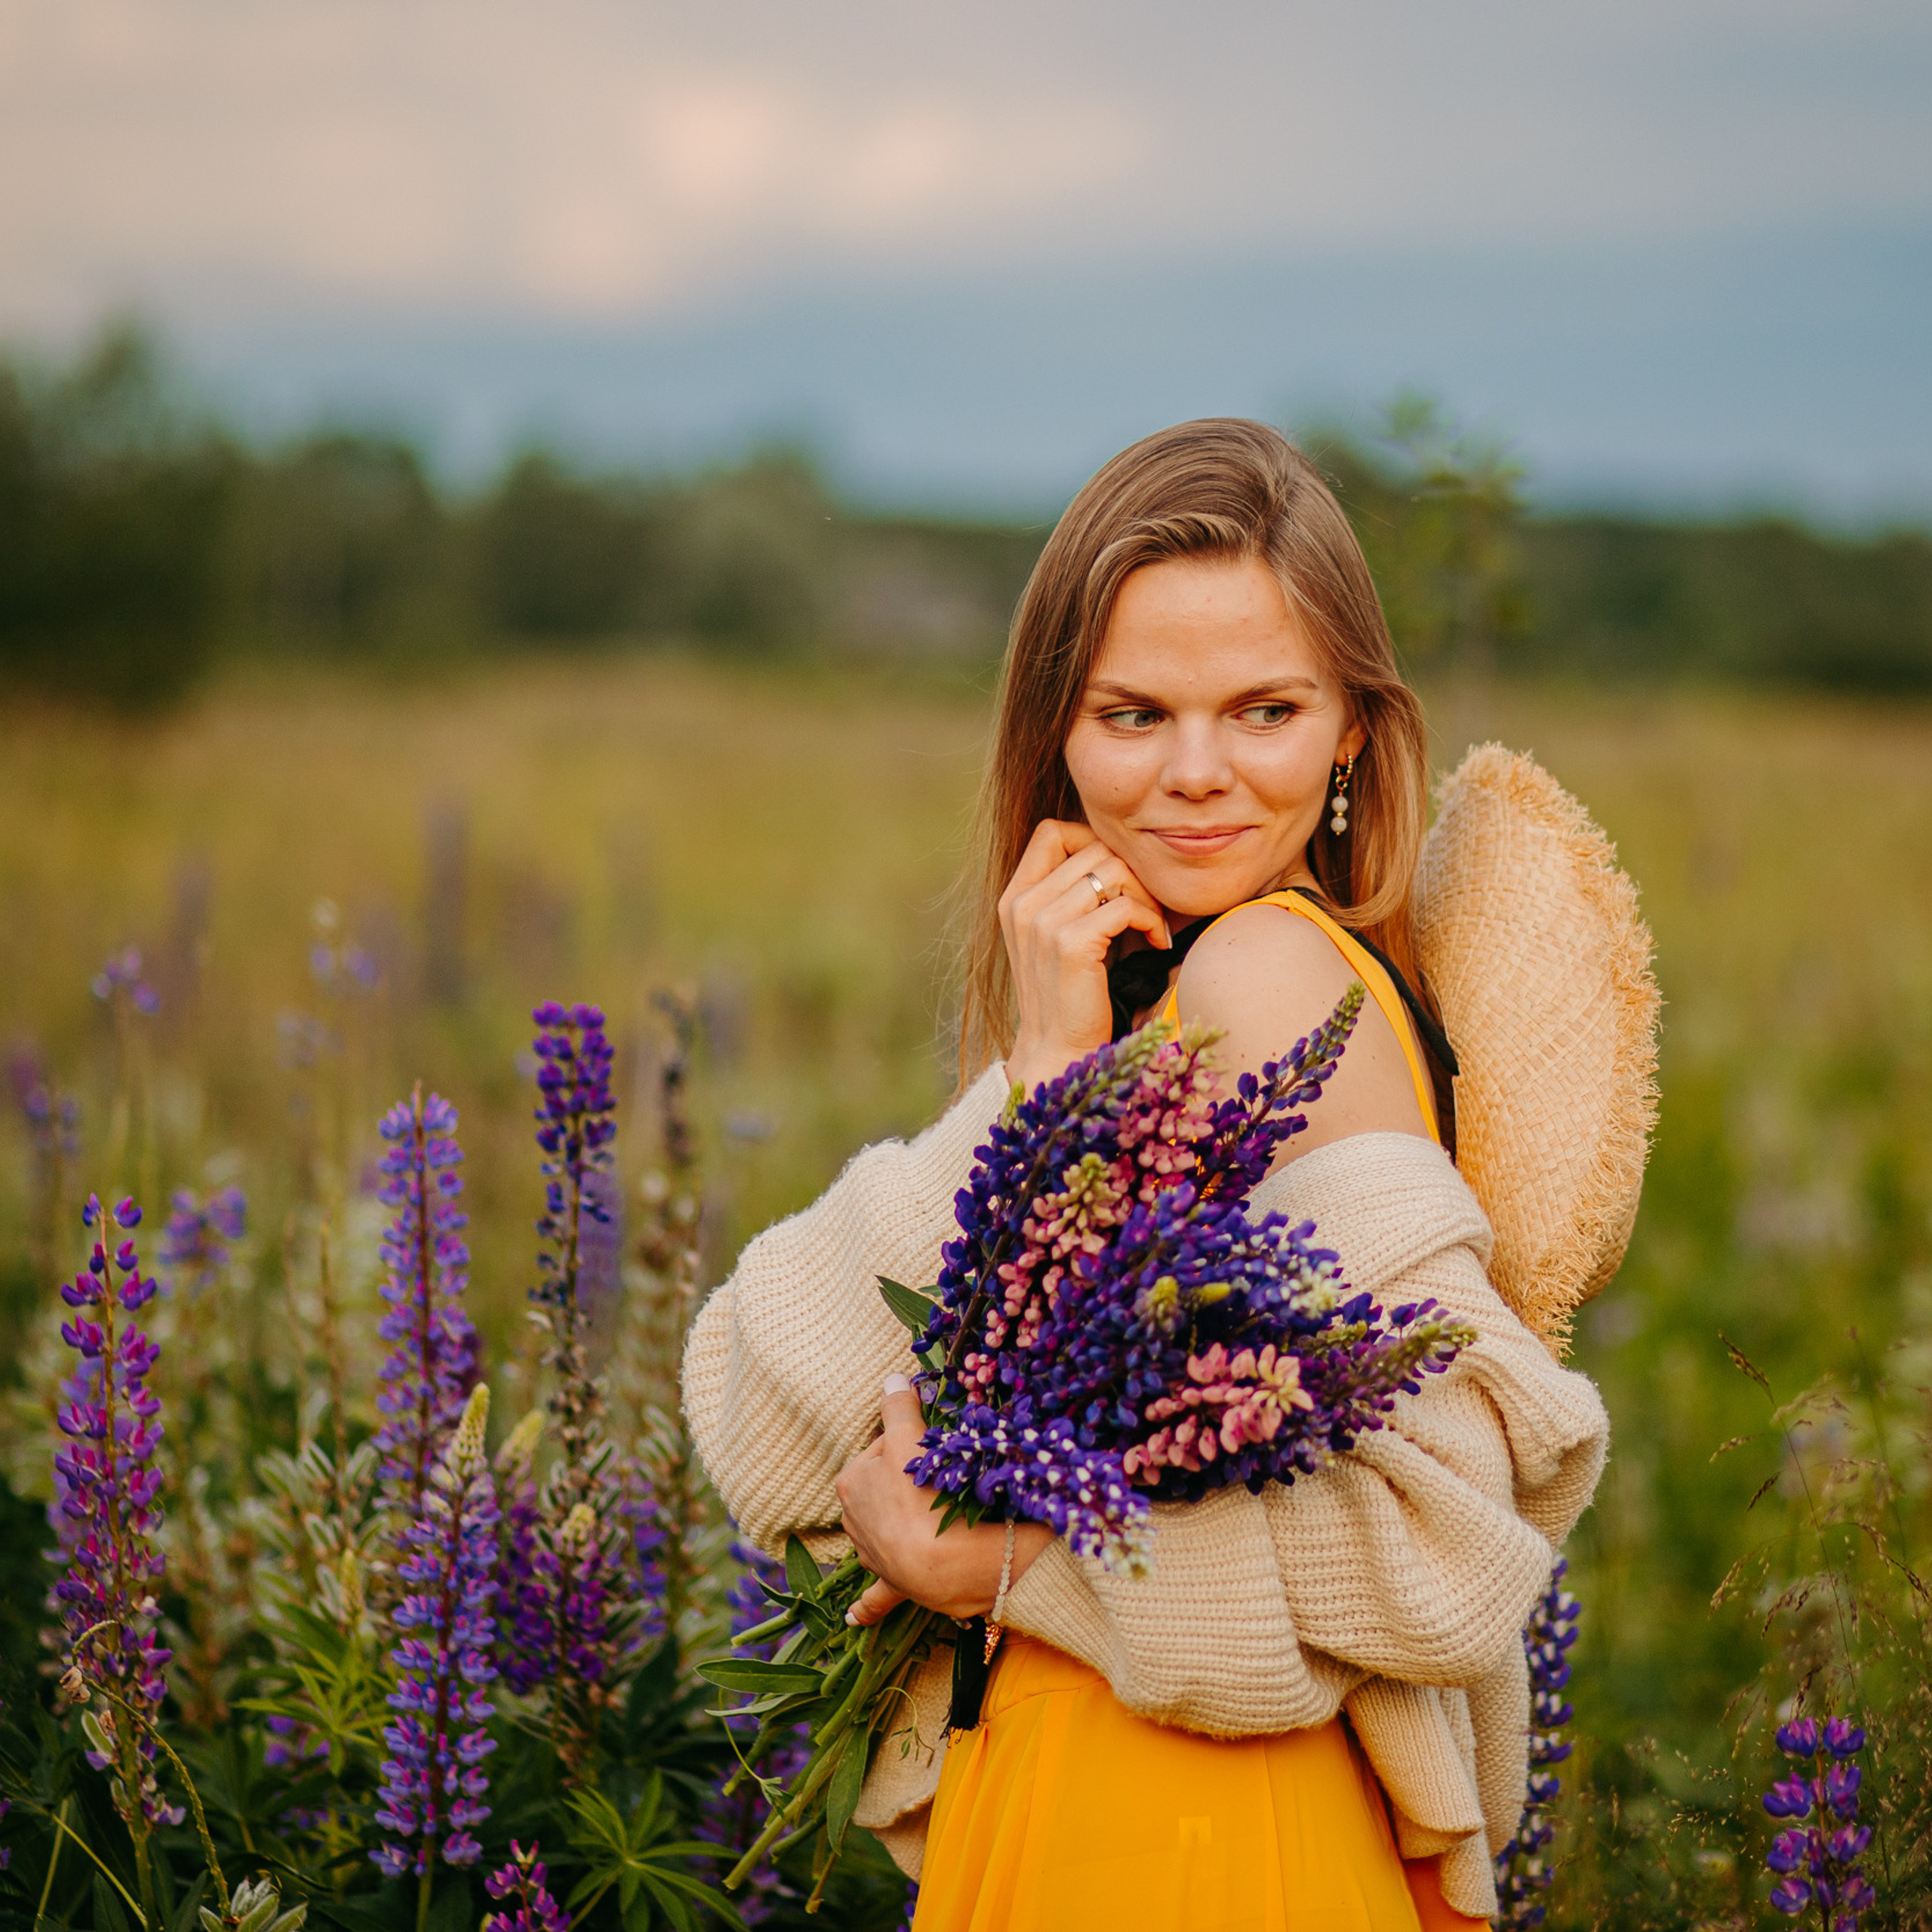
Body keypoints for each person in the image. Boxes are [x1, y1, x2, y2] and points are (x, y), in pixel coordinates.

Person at [683, 419, 1610, 1930]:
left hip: (1204, 1832)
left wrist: (1006, 1568)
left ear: (1351, 731)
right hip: (1097, 1803)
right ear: (1054, 730)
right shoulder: (1130, 1008)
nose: (1194, 775)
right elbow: (761, 1416)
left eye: (1263, 710)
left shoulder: (1268, 980)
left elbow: (1442, 1544)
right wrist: (1044, 1082)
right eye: (1132, 713)